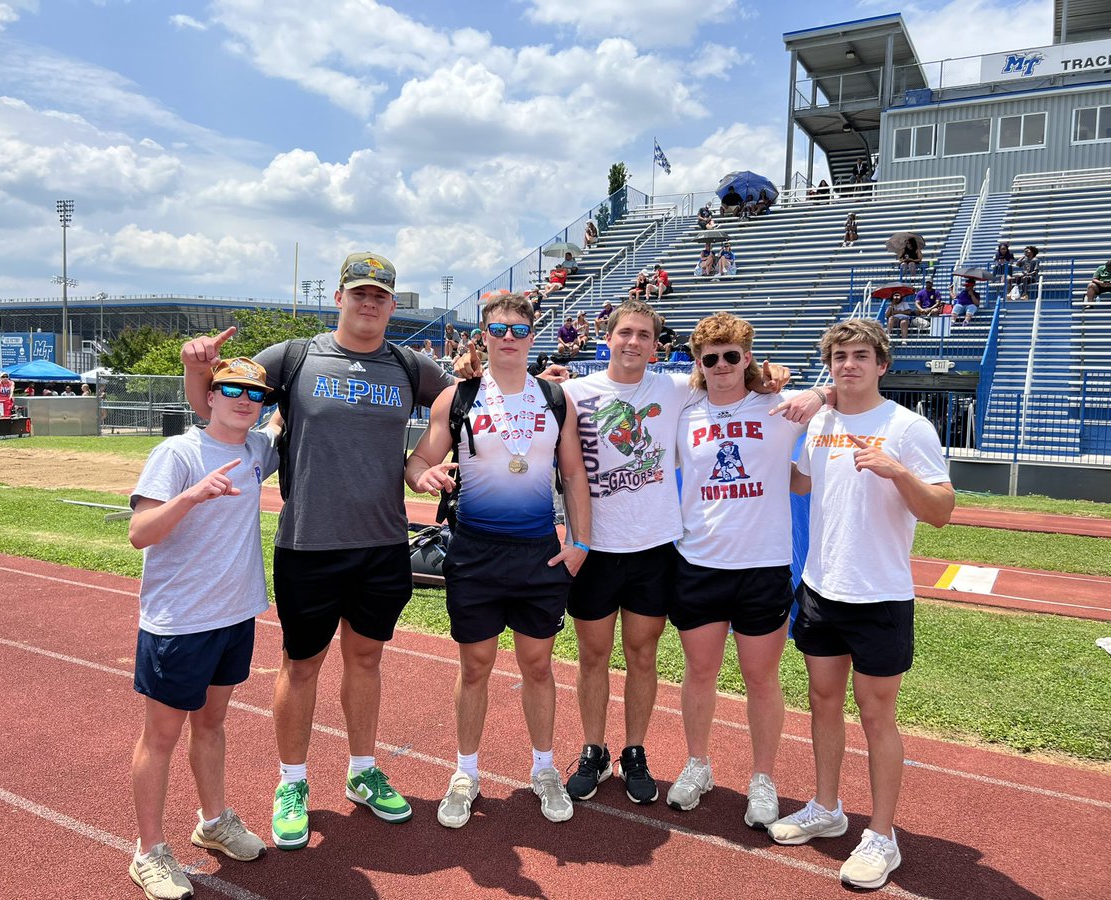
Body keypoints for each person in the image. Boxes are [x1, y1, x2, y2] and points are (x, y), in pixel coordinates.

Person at [180, 252, 454, 849]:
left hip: (383, 545)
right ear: (339, 296)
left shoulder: (410, 365)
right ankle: (292, 782)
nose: (370, 303)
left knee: (366, 661)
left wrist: (419, 464)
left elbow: (463, 402)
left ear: (392, 303)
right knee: (301, 666)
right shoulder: (294, 356)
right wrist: (193, 369)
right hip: (308, 544)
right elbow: (214, 406)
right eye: (360, 293)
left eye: (380, 295)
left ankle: (361, 772)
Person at [551, 301, 812, 810]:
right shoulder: (574, 393)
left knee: (646, 656)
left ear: (656, 344)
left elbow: (833, 399)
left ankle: (636, 753)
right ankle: (595, 750)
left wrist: (794, 383)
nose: (720, 367)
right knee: (594, 658)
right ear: (606, 337)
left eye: (644, 334)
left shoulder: (692, 393)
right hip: (603, 549)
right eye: (710, 360)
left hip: (659, 548)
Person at [769, 318, 953, 891]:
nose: (849, 364)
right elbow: (801, 484)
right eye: (840, 356)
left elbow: (941, 511)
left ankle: (882, 835)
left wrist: (898, 471)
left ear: (881, 364)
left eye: (860, 356)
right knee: (822, 704)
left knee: (877, 718)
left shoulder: (908, 427)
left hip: (880, 596)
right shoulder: (821, 420)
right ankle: (827, 807)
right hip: (822, 589)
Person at [405, 291, 591, 828]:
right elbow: (419, 460)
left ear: (533, 336)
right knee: (475, 668)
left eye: (518, 329)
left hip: (538, 555)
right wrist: (425, 476)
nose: (508, 338)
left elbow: (574, 474)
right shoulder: (457, 398)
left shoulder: (556, 399)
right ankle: (465, 772)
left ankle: (544, 768)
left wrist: (580, 543)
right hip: (475, 553)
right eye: (497, 329)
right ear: (482, 335)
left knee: (538, 667)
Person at [127, 357, 279, 899]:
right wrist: (192, 495)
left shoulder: (259, 449)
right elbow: (140, 532)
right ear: (208, 396)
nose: (244, 399)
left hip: (236, 615)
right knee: (161, 737)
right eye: (231, 389)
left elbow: (286, 427)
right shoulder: (178, 453)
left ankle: (212, 822)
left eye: (255, 393)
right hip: (180, 622)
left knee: (212, 724)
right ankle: (148, 851)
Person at [666, 312, 822, 823]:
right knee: (700, 672)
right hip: (699, 563)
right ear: (698, 362)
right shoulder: (683, 410)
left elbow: (847, 389)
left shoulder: (779, 408)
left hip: (764, 565)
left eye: (732, 355)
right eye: (710, 357)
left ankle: (762, 778)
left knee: (761, 677)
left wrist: (817, 396)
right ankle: (698, 764)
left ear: (748, 357)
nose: (721, 366)